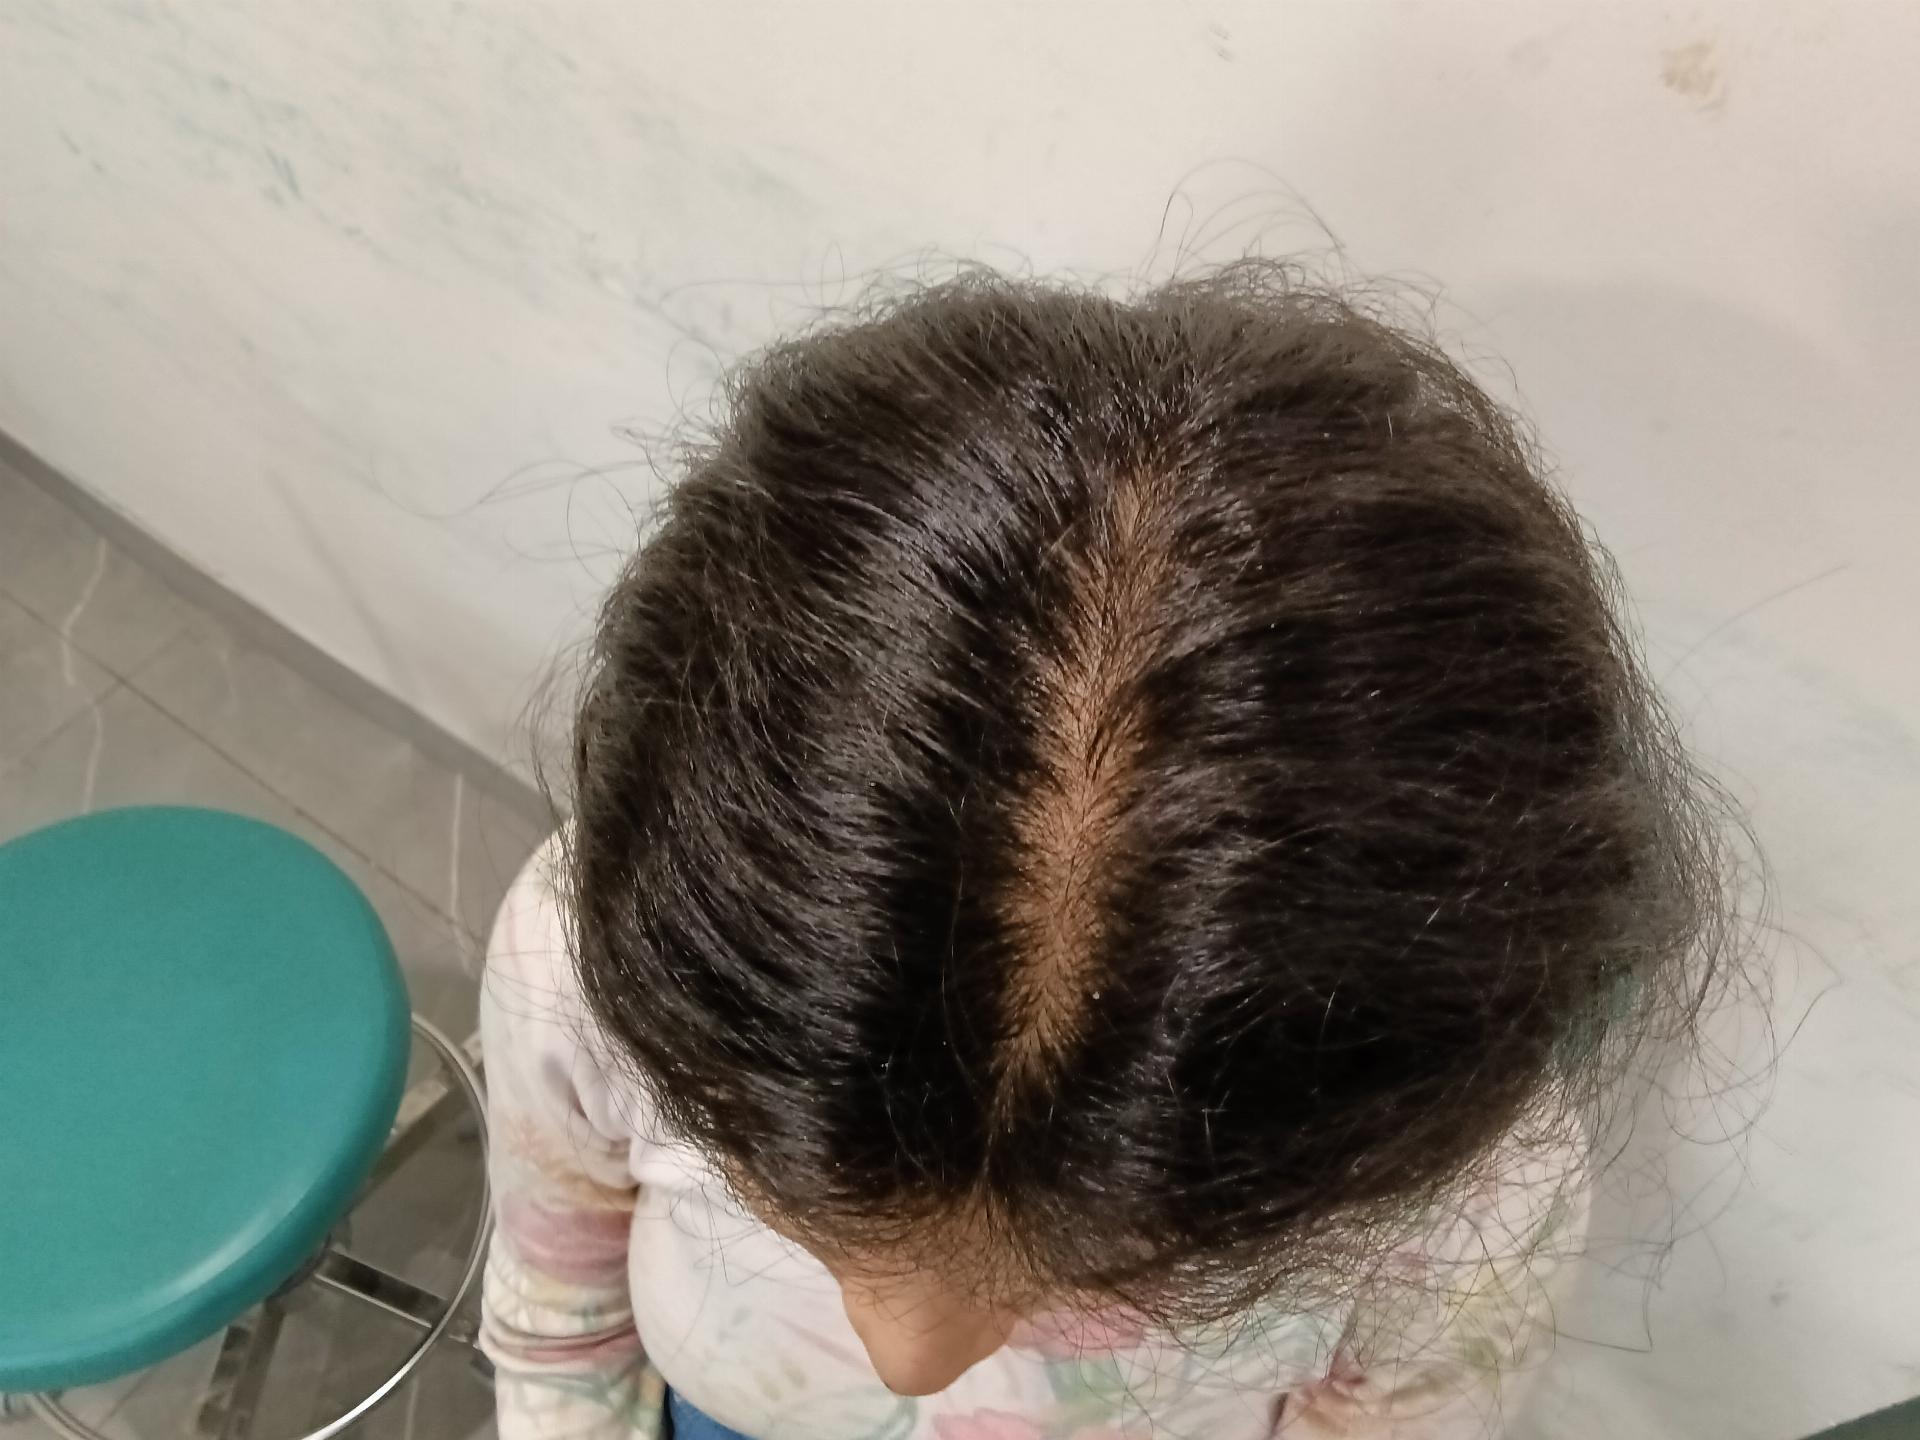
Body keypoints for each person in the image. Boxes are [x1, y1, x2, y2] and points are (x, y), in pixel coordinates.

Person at [478, 265, 1736, 1439]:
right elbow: (555, 1309)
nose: (909, 1356)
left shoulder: (1463, 1201)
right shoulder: (593, 966)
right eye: (783, 1193)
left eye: (1100, 1274)